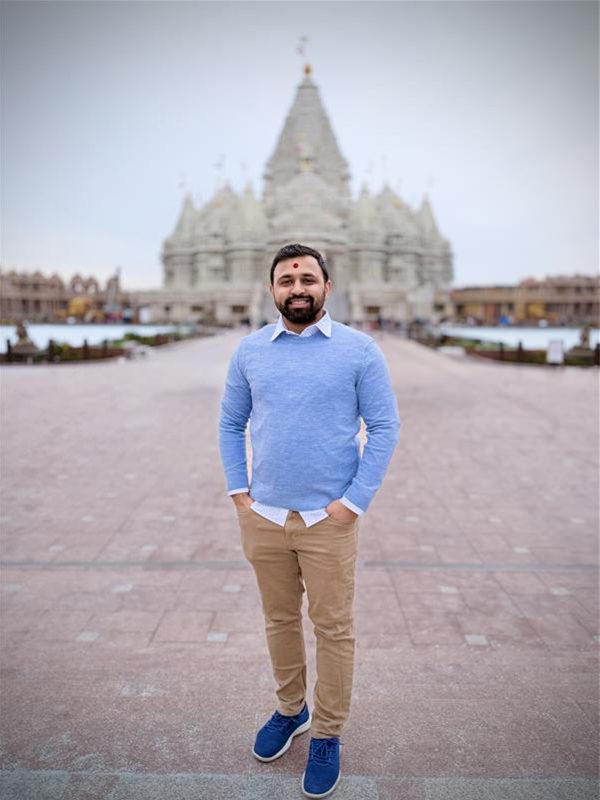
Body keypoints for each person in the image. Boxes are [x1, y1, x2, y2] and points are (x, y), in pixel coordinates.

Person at [219, 243, 400, 799]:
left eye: (307, 278)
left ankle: (327, 732)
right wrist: (239, 493)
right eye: (285, 279)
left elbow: (385, 428)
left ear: (326, 285)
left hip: (329, 519)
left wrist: (353, 503)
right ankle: (289, 709)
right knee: (279, 622)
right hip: (264, 517)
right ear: (272, 289)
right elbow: (231, 424)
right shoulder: (251, 351)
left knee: (333, 629)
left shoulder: (359, 350)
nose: (297, 288)